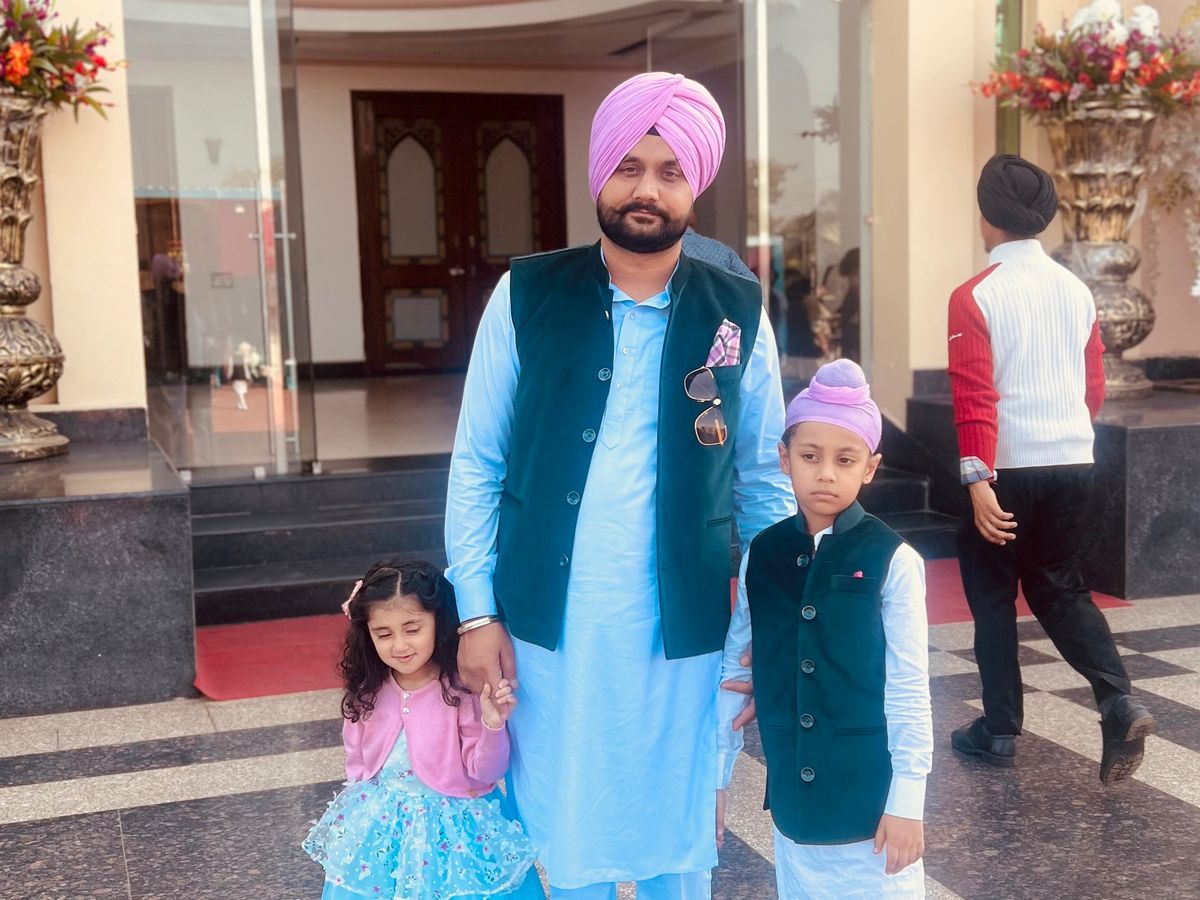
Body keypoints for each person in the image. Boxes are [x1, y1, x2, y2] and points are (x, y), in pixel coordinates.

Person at [445, 71, 794, 898]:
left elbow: (764, 482)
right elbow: (477, 462)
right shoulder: (527, 294)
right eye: (630, 167)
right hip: (548, 627)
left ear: (694, 186)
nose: (647, 189)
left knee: (677, 836)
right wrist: (477, 612)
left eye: (670, 172)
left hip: (686, 628)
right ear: (599, 173)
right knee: (567, 833)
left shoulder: (737, 309)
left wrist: (767, 627)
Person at [947, 154, 1155, 784]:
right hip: (1073, 458)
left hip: (1005, 467)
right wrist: (1066, 436)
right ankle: (1116, 699)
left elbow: (974, 394)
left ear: (985, 216)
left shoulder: (973, 295)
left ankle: (999, 729)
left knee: (992, 594)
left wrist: (978, 479)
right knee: (1058, 585)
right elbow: (1093, 386)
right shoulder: (1077, 290)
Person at [718, 359, 932, 899]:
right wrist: (716, 779)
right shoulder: (764, 555)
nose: (826, 474)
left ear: (871, 467)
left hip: (871, 802)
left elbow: (909, 689)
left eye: (845, 459)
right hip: (794, 803)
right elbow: (734, 669)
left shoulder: (894, 560)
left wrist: (908, 803)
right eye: (810, 457)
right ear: (784, 459)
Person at [303, 560, 541, 900]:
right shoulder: (368, 691)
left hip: (456, 831)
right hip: (382, 829)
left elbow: (487, 772)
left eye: (412, 629)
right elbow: (357, 764)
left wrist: (492, 724)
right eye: (384, 634)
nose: (399, 645)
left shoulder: (461, 691)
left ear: (438, 622)